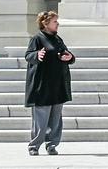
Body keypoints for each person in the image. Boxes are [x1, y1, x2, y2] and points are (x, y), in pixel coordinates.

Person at [24, 10, 75, 156]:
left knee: (55, 119)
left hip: (58, 85)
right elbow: (28, 55)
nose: (57, 24)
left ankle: (52, 145)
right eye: (55, 21)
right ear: (45, 24)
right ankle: (34, 146)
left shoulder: (57, 39)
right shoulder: (37, 39)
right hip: (42, 86)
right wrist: (37, 54)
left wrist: (70, 57)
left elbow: (67, 54)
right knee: (40, 119)